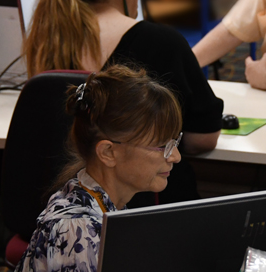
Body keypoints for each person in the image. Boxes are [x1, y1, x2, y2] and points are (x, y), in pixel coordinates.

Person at [22, 0, 223, 205]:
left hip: (62, 206)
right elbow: (203, 139)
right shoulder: (161, 43)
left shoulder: (47, 45)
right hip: (147, 210)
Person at [15, 65, 183, 272]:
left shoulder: (105, 205)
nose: (176, 156)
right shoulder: (79, 231)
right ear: (108, 152)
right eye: (162, 146)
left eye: (175, 142)